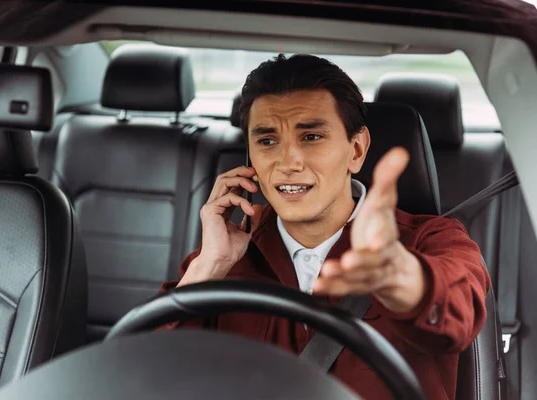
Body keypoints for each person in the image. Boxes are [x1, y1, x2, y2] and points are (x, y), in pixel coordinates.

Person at [159, 54, 490, 400]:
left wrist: (401, 279)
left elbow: (458, 310)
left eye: (312, 137)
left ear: (356, 150)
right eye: (268, 141)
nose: (288, 163)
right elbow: (145, 371)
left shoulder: (431, 241)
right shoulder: (224, 259)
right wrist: (209, 266)